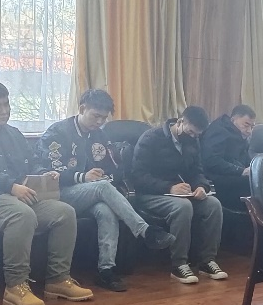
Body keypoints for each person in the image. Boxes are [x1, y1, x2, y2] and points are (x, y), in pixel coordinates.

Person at [0, 80, 93, 305]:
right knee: (22, 215)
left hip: (20, 196)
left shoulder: (14, 134)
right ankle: (16, 286)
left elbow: (31, 162)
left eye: (6, 104)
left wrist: (43, 174)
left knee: (65, 212)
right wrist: (10, 186)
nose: (4, 111)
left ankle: (58, 280)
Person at [37, 89, 175, 292]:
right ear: (82, 109)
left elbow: (115, 168)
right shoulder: (57, 133)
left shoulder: (100, 135)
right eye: (96, 116)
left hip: (93, 193)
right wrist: (82, 177)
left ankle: (106, 270)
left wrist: (104, 177)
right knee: (101, 188)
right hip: (60, 194)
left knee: (106, 210)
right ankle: (145, 231)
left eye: (104, 118)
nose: (100, 122)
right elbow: (49, 170)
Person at [129, 106, 226, 285]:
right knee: (183, 207)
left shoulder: (192, 141)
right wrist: (169, 187)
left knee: (213, 204)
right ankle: (179, 264)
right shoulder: (151, 138)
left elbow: (197, 171)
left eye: (197, 135)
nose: (193, 137)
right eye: (191, 132)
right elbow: (138, 176)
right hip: (150, 195)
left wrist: (201, 187)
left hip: (181, 193)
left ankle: (207, 261)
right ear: (180, 122)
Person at [201, 104, 256, 210]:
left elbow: (245, 158)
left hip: (233, 173)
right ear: (233, 119)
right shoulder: (218, 131)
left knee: (260, 180)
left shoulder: (239, 134)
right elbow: (211, 161)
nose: (249, 131)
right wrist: (241, 171)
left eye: (252, 127)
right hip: (216, 176)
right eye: (246, 125)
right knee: (252, 185)